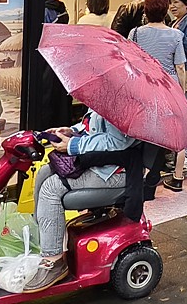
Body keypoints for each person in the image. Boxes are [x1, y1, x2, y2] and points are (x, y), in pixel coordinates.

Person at [23, 109, 134, 293]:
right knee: (44, 172)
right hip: (97, 162)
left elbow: (118, 141)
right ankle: (45, 239)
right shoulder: (107, 97)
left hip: (115, 171)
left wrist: (74, 144)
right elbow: (91, 125)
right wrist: (70, 131)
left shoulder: (124, 104)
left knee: (51, 188)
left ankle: (54, 261)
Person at [127, 0, 187, 192]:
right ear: (165, 11)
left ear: (146, 11)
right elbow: (180, 67)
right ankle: (175, 177)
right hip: (168, 86)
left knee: (145, 132)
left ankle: (144, 176)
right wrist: (182, 92)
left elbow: (129, 63)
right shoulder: (176, 35)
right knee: (174, 131)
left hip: (143, 86)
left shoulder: (135, 33)